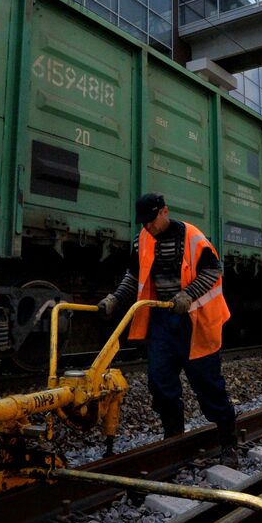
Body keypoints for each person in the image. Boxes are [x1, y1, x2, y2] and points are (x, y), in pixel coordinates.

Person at [100, 193, 239, 455]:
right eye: (143, 222)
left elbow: (213, 270)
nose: (148, 227)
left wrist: (188, 294)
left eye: (151, 220)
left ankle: (229, 442)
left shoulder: (191, 236)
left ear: (165, 211)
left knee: (208, 384)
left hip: (195, 320)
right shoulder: (143, 239)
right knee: (160, 382)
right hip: (162, 322)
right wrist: (115, 299)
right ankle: (174, 438)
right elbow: (134, 275)